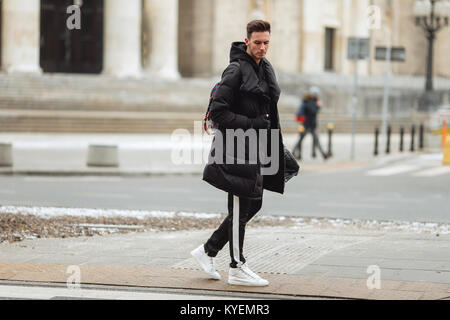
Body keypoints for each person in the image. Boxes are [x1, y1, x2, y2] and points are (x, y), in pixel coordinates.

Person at [190, 20, 286, 287]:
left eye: (266, 42)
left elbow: (268, 109)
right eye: (257, 42)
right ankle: (236, 266)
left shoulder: (265, 68)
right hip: (236, 148)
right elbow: (219, 112)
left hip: (259, 146)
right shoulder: (235, 70)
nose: (262, 47)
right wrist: (252, 124)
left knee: (254, 203)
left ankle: (208, 250)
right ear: (247, 42)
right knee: (240, 203)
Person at [292, 86, 330, 161]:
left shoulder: (308, 101)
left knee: (315, 140)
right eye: (317, 94)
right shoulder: (310, 102)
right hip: (308, 125)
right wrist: (318, 106)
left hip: (310, 125)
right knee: (301, 140)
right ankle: (293, 152)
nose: (318, 96)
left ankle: (323, 154)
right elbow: (313, 111)